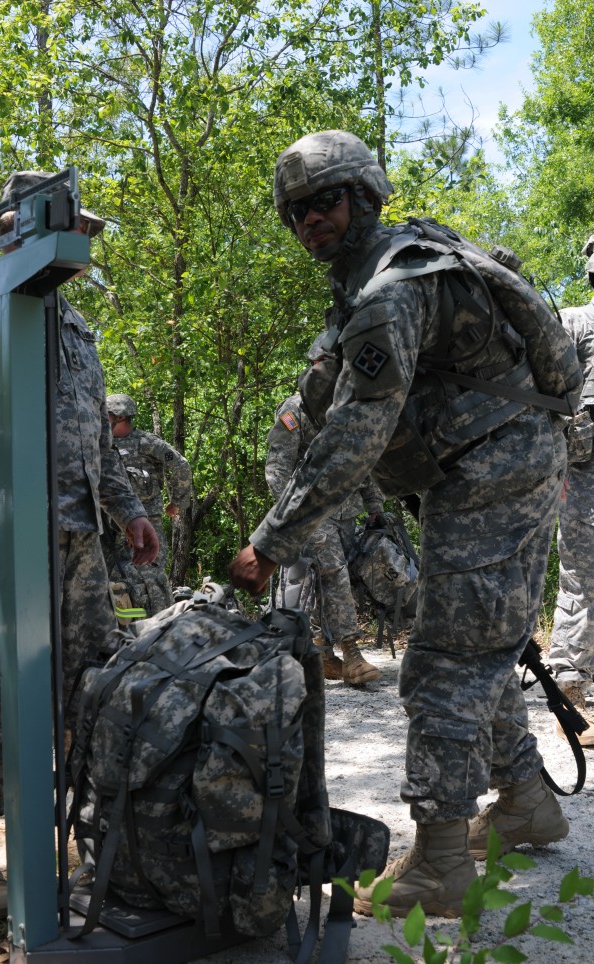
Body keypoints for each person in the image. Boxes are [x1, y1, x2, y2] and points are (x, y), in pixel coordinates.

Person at [229, 130, 579, 918]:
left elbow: (355, 436)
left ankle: (442, 865)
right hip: (497, 465)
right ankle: (523, 796)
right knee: (478, 642)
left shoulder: (389, 290)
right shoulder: (392, 266)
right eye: (296, 213)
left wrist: (269, 542)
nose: (310, 220)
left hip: (491, 472)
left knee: (444, 662)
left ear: (365, 194)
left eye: (325, 201)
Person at [0, 171, 159, 923]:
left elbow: (95, 437)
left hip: (77, 544)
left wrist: (130, 510)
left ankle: (89, 837)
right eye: (73, 231)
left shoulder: (72, 324)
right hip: (3, 544)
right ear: (21, 227)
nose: (83, 250)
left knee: (93, 689)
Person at [266, 390, 383, 684]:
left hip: (346, 509)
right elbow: (277, 469)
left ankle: (322, 652)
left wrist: (374, 503)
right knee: (334, 574)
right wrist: (291, 517)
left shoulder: (348, 404)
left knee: (326, 581)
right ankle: (353, 654)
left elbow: (361, 456)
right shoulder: (295, 409)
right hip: (311, 512)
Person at [548, 236, 594, 747]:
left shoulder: (573, 321)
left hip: (576, 469)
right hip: (581, 471)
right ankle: (569, 681)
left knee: (580, 577)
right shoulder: (576, 321)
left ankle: (569, 677)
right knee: (581, 576)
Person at [104, 393, 193, 615]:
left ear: (120, 417)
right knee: (111, 576)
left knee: (150, 576)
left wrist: (177, 502)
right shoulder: (100, 444)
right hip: (106, 525)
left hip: (145, 522)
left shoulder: (146, 442)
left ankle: (159, 625)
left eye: (106, 415)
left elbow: (180, 466)